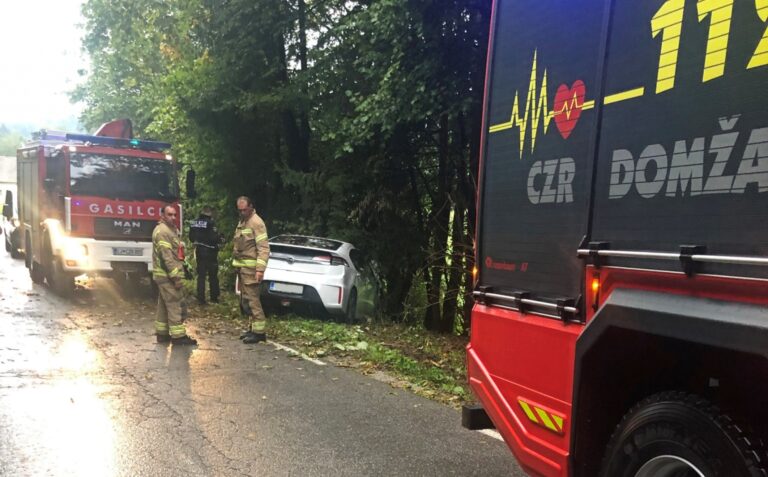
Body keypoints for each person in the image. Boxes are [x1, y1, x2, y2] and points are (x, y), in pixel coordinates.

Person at [152, 205, 197, 345]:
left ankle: (162, 334)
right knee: (175, 304)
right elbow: (166, 258)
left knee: (164, 305)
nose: (173, 217)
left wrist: (185, 266)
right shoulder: (163, 232)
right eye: (169, 215)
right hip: (167, 276)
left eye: (174, 215)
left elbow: (176, 254)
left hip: (164, 275)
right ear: (162, 216)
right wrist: (175, 278)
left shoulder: (170, 230)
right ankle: (178, 337)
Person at [232, 196, 270, 344]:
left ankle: (259, 332)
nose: (242, 212)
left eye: (244, 210)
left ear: (251, 206)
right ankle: (253, 328)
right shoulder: (243, 222)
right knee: (246, 300)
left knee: (253, 301)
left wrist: (260, 270)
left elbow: (263, 248)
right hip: (243, 269)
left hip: (251, 269)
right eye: (239, 210)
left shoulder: (256, 223)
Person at [188, 205, 221, 305]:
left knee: (201, 275)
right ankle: (214, 297)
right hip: (210, 251)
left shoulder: (194, 223)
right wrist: (220, 239)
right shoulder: (211, 223)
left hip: (199, 250)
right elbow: (213, 238)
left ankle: (200, 298)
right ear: (209, 212)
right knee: (213, 275)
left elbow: (191, 237)